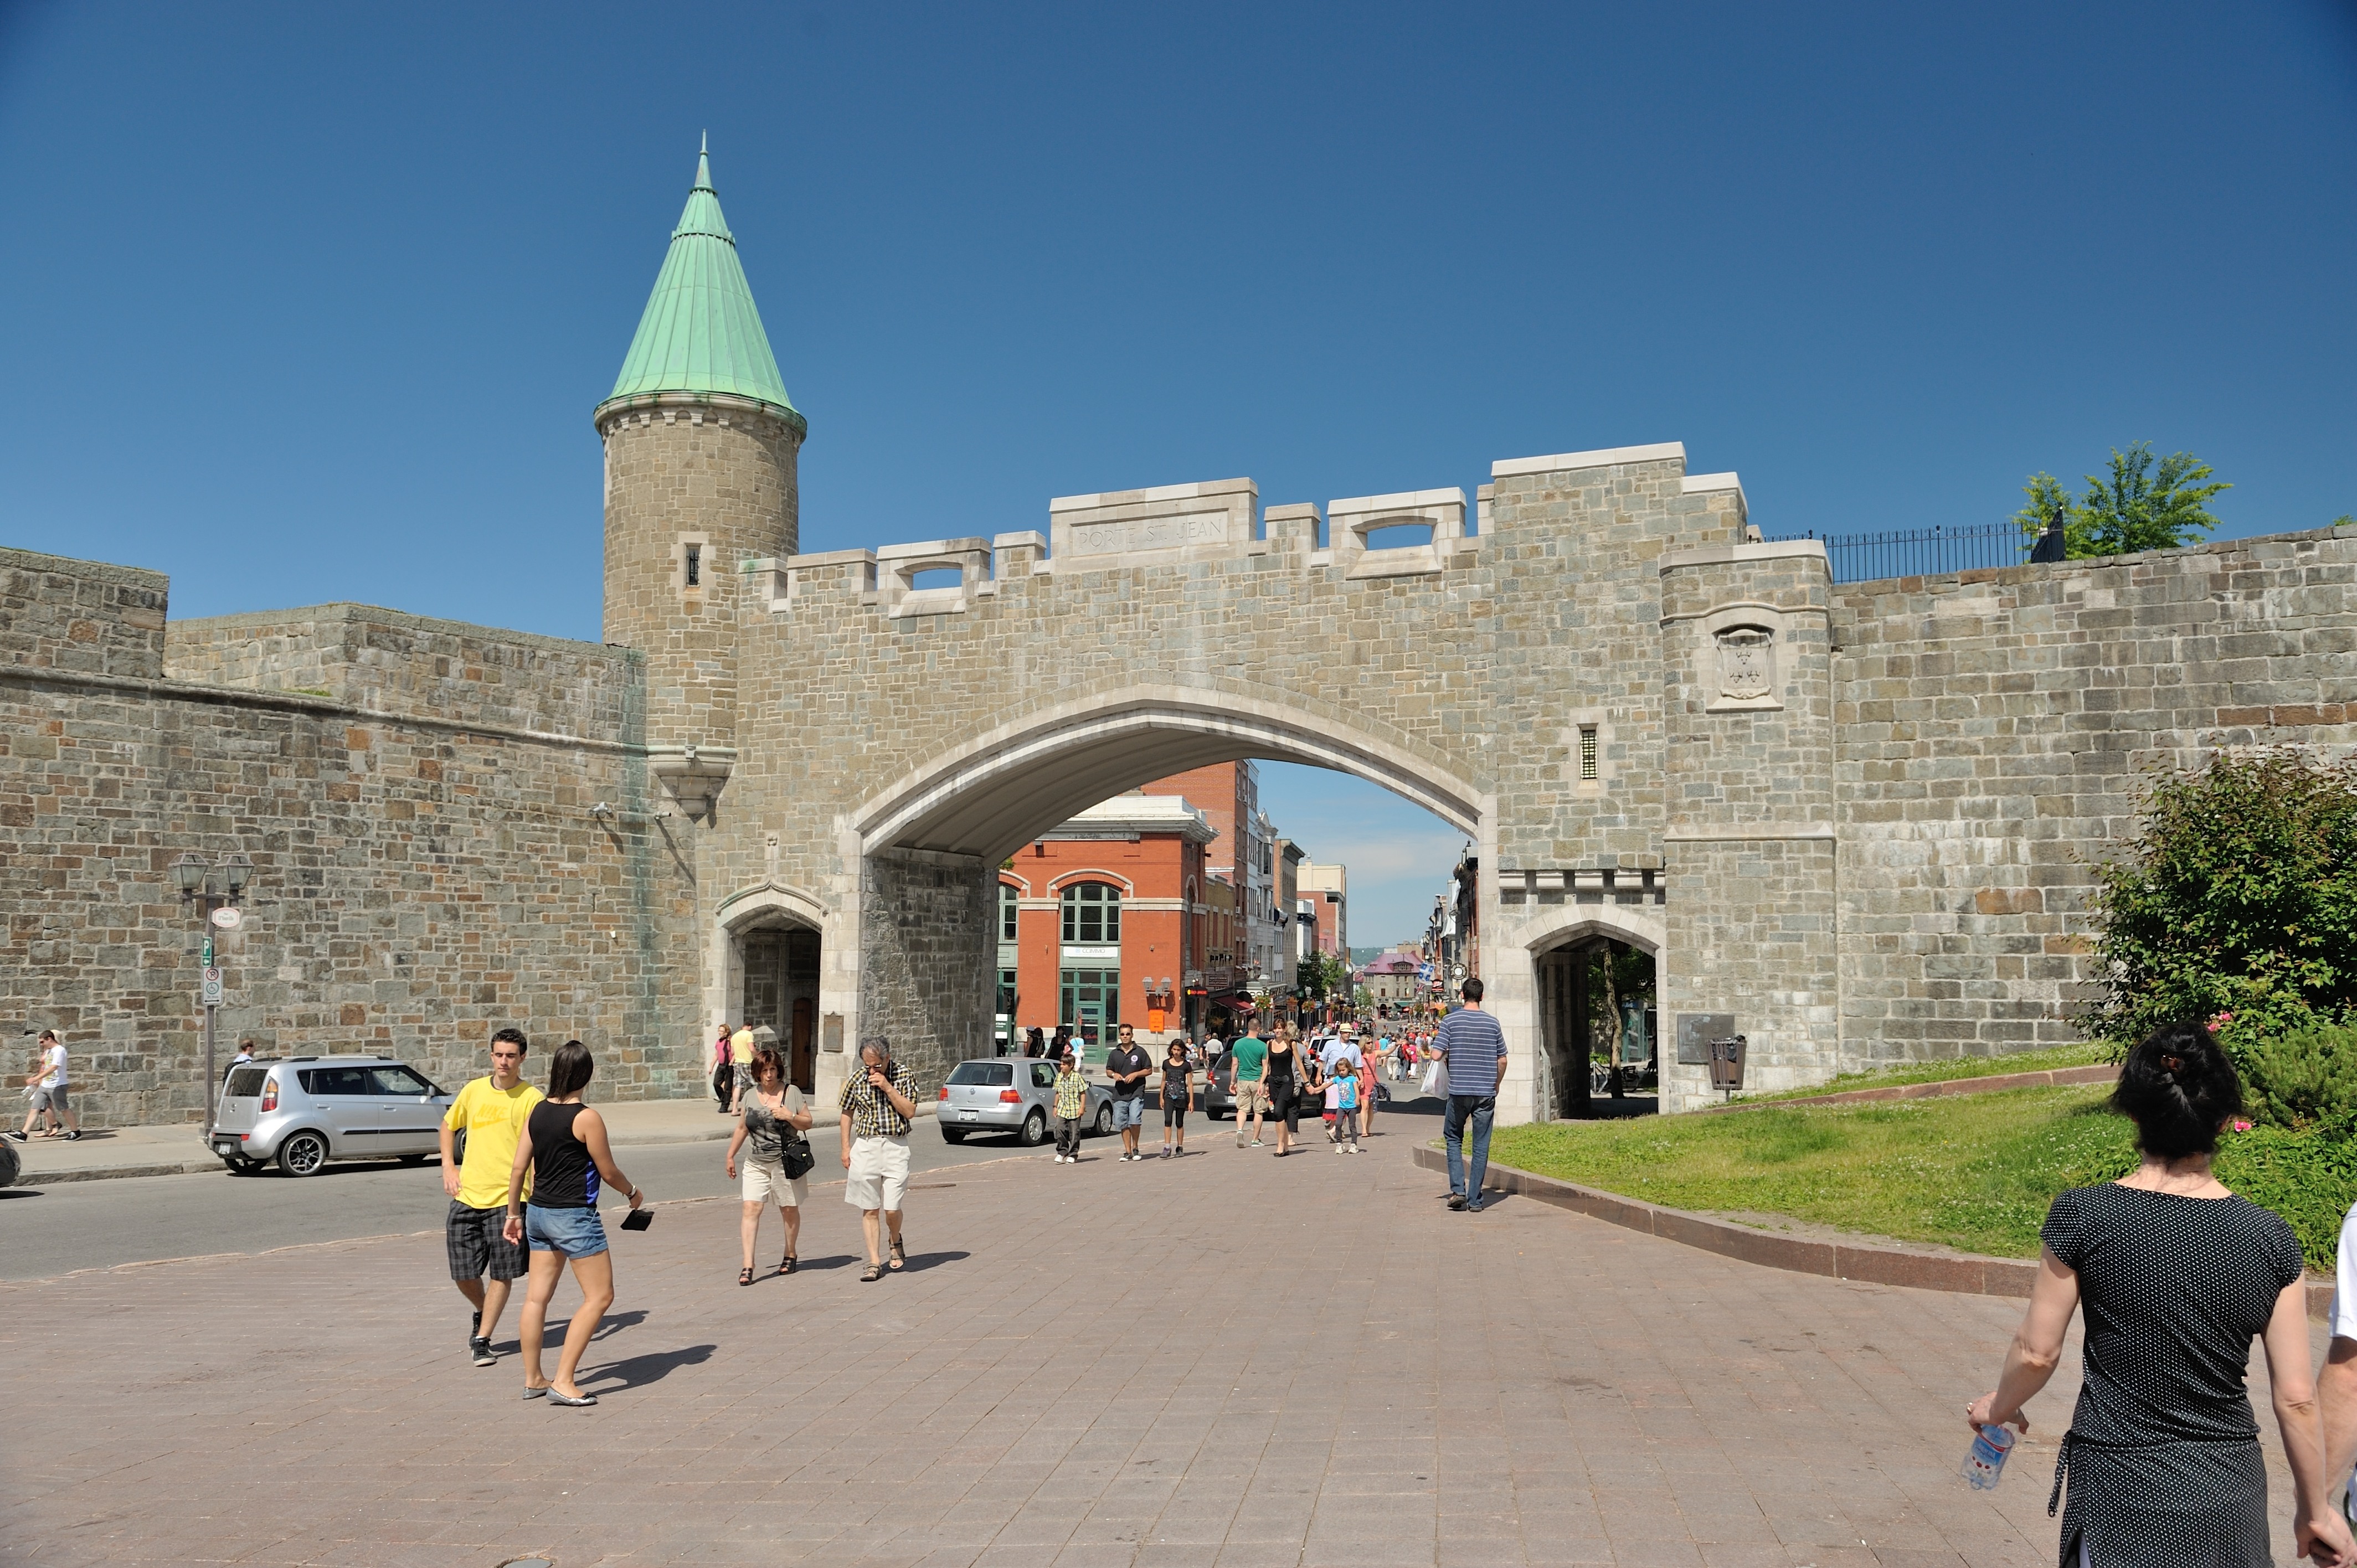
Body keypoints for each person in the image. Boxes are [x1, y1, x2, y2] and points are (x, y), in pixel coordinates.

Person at [1967, 1023, 2351, 1568]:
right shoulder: (2269, 1236)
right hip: (2225, 1494)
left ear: (2132, 1114)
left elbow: (2036, 1353)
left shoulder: (2085, 1215)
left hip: (2116, 1490)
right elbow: (2294, 1398)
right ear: (2223, 1121)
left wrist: (1997, 1408)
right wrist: (2314, 1512)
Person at [503, 1040, 644, 1407]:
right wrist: (632, 1193)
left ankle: (534, 1378)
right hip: (574, 1216)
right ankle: (564, 1381)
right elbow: (608, 1170)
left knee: (536, 1297)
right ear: (586, 1074)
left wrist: (513, 1214)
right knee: (600, 1296)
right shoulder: (586, 1117)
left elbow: (519, 1168)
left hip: (537, 1213)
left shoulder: (536, 1111)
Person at [440, 1027, 542, 1368]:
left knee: (503, 1272)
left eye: (511, 1056)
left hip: (509, 1200)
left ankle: (482, 1339)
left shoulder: (532, 1099)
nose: (504, 1061)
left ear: (522, 1058)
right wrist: (448, 1167)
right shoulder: (474, 1091)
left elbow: (540, 1149)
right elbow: (448, 1126)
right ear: (491, 1056)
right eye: (499, 1054)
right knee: (462, 1272)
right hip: (468, 1194)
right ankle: (483, 1311)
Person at [724, 1039, 810, 1285]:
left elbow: (808, 1122)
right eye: (764, 1071)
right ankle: (748, 1265)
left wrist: (790, 1116)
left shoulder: (791, 1092)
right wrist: (730, 1155)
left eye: (772, 1070)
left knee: (788, 1209)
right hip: (756, 1162)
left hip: (785, 1161)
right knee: (751, 1208)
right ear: (757, 1073)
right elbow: (742, 1128)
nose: (769, 1075)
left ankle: (790, 1253)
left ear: (778, 1071)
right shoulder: (751, 1096)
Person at [839, 1036, 919, 1282]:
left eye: (876, 1065)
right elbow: (846, 1112)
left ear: (887, 1058)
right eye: (867, 1066)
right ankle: (874, 1262)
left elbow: (910, 1112)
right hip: (866, 1146)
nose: (872, 1071)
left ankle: (895, 1237)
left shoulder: (904, 1075)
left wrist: (887, 1086)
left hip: (896, 1145)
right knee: (870, 1207)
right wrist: (845, 1147)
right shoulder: (857, 1079)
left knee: (891, 1209)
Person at [1438, 978, 1507, 1211]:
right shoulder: (1493, 1023)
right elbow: (1503, 1059)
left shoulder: (1450, 1021)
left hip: (1459, 1091)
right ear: (1482, 996)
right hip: (1485, 1092)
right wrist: (1496, 1084)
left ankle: (1458, 1190)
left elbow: (1437, 1055)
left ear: (1461, 994)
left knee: (1454, 1138)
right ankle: (1476, 1200)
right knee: (1481, 1145)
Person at [12, 1029, 80, 1142]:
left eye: (42, 1042)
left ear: (49, 1039)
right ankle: (24, 1134)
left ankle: (76, 1132)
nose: (41, 1045)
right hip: (45, 1085)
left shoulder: (59, 1050)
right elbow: (45, 1066)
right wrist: (38, 1080)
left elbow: (54, 1067)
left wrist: (35, 1078)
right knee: (35, 1109)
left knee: (64, 1109)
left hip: (58, 1085)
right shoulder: (49, 1051)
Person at [1104, 1023, 1152, 1163]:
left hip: (1136, 1092)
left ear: (1132, 1035)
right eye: (1123, 1034)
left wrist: (1136, 1074)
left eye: (1128, 1034)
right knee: (1122, 1123)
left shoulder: (1140, 1052)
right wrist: (1114, 1075)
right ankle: (1128, 1151)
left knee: (1135, 1120)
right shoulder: (1115, 1053)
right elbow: (1108, 1070)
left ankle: (1136, 1147)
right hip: (1120, 1093)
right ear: (1120, 1036)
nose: (1125, 1036)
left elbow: (1149, 1070)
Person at [1228, 1026, 1269, 1149]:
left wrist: (1232, 1082)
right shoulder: (1262, 1046)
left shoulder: (1238, 1044)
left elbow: (1235, 1064)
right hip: (1257, 1080)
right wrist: (1262, 1082)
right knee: (1259, 1111)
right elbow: (1265, 1066)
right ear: (1258, 1028)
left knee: (1242, 1109)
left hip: (1243, 1080)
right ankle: (1255, 1140)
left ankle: (1240, 1130)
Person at [1263, 1026, 1301, 1156]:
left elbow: (1299, 1063)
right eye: (1275, 1028)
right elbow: (1266, 1066)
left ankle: (1280, 1145)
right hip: (1274, 1082)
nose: (1277, 1031)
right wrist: (1263, 1083)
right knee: (1280, 1115)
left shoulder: (1291, 1044)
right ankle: (1285, 1147)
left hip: (1287, 1082)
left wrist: (1307, 1082)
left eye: (1280, 1028)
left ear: (1285, 1029)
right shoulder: (1269, 1044)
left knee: (1278, 1111)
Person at [1051, 1047, 1088, 1163]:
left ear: (1071, 1065)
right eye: (1061, 1064)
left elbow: (1083, 1093)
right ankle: (1062, 1151)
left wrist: (1082, 1107)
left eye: (1064, 1065)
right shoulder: (1059, 1077)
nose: (1062, 1067)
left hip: (1074, 1109)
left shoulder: (1077, 1077)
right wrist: (1055, 1106)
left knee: (1074, 1132)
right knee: (1059, 1129)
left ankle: (1073, 1154)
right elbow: (1058, 1092)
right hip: (1062, 1108)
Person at [1157, 1040, 1192, 1158]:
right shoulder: (1166, 1064)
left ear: (1182, 1050)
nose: (1176, 1052)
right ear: (1171, 1050)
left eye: (1178, 1050)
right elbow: (1163, 1080)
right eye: (1174, 1049)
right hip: (1168, 1096)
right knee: (1168, 1121)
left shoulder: (1186, 1065)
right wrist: (1161, 1096)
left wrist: (1191, 1101)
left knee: (1179, 1123)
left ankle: (1180, 1147)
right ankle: (1167, 1147)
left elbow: (1190, 1084)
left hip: (1181, 1096)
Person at [1332, 1054, 1362, 1154]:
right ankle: (1339, 1144)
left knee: (1352, 1126)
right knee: (1338, 1124)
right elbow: (1327, 1085)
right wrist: (1316, 1090)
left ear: (1348, 1069)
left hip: (1352, 1106)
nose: (1341, 1072)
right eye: (1339, 1070)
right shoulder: (1337, 1079)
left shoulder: (1352, 1079)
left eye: (1343, 1070)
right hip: (1342, 1106)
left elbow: (1357, 1090)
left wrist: (1357, 1099)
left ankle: (1354, 1145)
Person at [709, 1025, 735, 1114]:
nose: (719, 1032)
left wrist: (731, 1062)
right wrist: (711, 1066)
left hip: (729, 1066)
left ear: (726, 1032)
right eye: (719, 1030)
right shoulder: (718, 1042)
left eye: (721, 1031)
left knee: (728, 1087)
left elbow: (735, 1052)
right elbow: (716, 1055)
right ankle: (723, 1099)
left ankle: (725, 1106)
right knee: (716, 1083)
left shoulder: (731, 1041)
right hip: (721, 1066)